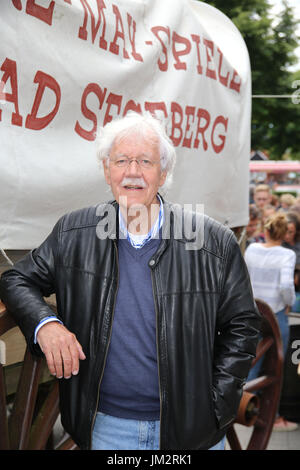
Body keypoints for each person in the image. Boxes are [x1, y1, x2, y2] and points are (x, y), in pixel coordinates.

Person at [0, 112, 261, 450]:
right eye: (121, 160)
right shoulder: (74, 232)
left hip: (191, 433)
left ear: (163, 172)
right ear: (107, 170)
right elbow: (17, 280)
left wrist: (217, 404)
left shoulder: (213, 242)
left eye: (146, 161)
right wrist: (46, 323)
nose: (133, 172)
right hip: (106, 429)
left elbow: (244, 325)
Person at [244, 212, 298, 432]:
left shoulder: (251, 249)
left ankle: (244, 406)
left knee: (250, 360)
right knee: (276, 366)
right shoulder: (287, 254)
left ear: (265, 230)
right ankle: (271, 415)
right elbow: (286, 286)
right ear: (285, 233)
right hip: (275, 314)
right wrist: (290, 302)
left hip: (251, 310)